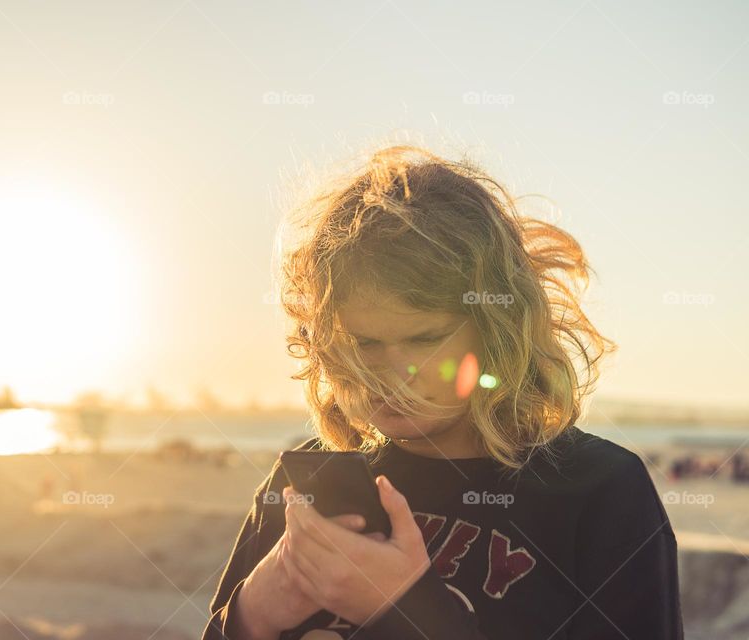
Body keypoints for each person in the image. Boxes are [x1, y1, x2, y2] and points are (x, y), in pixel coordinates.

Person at [202, 145, 684, 639]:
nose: (389, 375)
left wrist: (403, 609)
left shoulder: (599, 491)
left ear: (499, 330)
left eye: (424, 340)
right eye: (363, 343)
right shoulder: (309, 482)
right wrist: (252, 613)